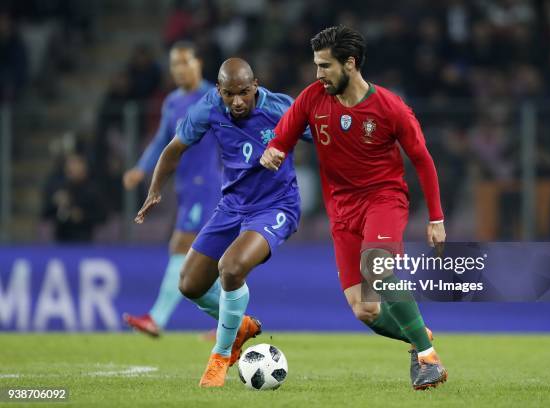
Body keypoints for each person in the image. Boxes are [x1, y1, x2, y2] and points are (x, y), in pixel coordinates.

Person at [260, 25, 447, 390]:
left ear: (351, 63)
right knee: (365, 309)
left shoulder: (391, 108)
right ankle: (416, 333)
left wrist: (436, 218)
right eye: (316, 65)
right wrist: (275, 150)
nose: (318, 74)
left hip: (384, 199)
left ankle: (428, 359)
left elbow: (423, 160)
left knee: (375, 266)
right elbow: (285, 132)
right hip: (342, 210)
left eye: (325, 66)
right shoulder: (313, 97)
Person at [134, 57, 310, 387]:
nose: (238, 101)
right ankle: (240, 325)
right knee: (189, 284)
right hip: (231, 207)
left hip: (276, 206)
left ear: (255, 86)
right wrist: (155, 189)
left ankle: (220, 355)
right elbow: (174, 149)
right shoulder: (208, 108)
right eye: (229, 94)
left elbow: (327, 139)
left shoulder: (281, 108)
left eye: (244, 92)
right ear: (219, 91)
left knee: (230, 268)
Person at [122, 41, 224, 337]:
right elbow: (161, 141)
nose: (180, 69)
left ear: (198, 63)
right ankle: (232, 320)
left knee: (181, 247)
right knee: (207, 258)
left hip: (209, 185)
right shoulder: (172, 102)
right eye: (174, 64)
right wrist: (141, 168)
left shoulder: (214, 95)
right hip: (186, 188)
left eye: (185, 62)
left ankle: (157, 318)